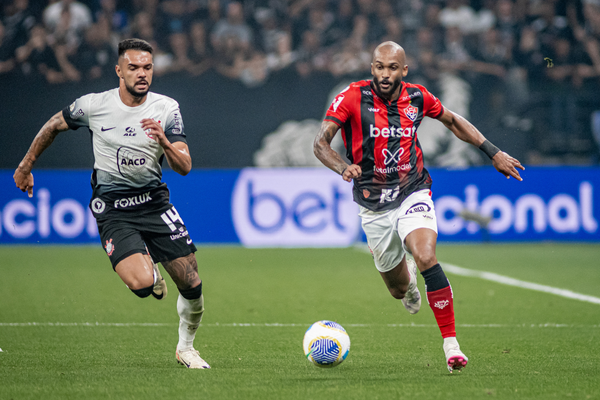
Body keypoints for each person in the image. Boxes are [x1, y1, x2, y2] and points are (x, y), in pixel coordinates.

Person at [313, 41, 524, 373]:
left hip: (412, 190)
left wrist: (492, 151)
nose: (385, 74)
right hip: (373, 204)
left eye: (392, 68)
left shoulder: (417, 97)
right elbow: (320, 143)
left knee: (426, 255)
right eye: (379, 67)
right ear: (372, 68)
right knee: (398, 291)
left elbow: (453, 121)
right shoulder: (352, 96)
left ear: (404, 70)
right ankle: (408, 282)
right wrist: (343, 167)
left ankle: (451, 345)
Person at [13, 38, 210, 369]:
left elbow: (185, 167)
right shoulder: (93, 105)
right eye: (133, 67)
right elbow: (54, 125)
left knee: (191, 281)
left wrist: (163, 140)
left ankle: (186, 348)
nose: (141, 74)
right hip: (113, 206)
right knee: (142, 285)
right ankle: (149, 268)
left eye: (147, 67)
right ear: (119, 70)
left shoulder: (166, 108)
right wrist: (26, 164)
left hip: (154, 202)